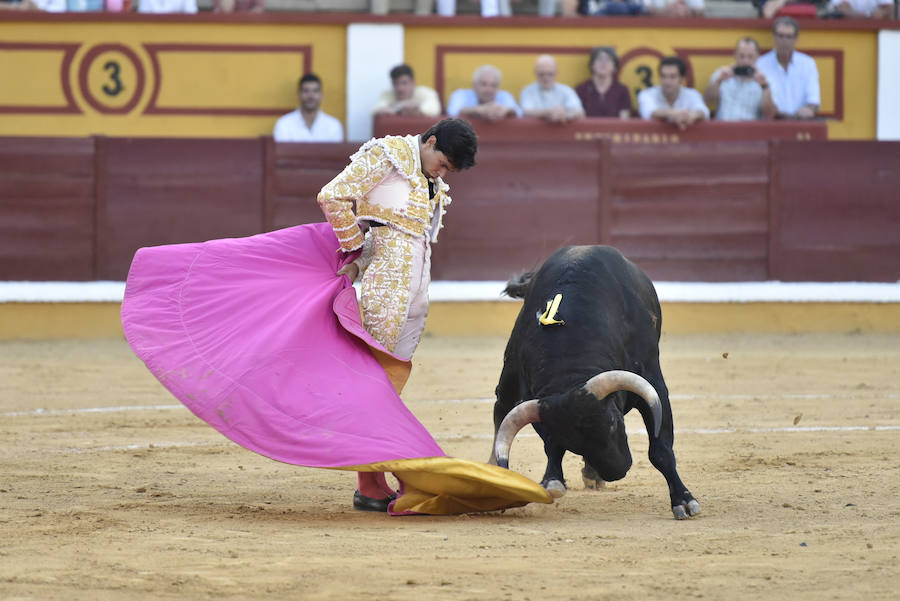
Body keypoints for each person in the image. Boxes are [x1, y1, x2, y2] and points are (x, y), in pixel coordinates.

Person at [316, 118, 477, 511]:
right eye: (441, 163)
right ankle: (370, 481)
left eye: (447, 171)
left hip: (414, 298)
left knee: (388, 389)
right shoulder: (386, 157)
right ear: (431, 140)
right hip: (384, 297)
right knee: (375, 388)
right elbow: (332, 196)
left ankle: (372, 479)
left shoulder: (429, 181)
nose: (441, 173)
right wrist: (354, 250)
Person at [755, 17, 820, 120]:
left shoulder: (808, 63)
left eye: (789, 37)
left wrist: (808, 109)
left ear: (796, 39)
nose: (784, 41)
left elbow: (813, 100)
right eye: (780, 36)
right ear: (774, 37)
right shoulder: (760, 64)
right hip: (772, 123)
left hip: (801, 122)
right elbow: (758, 102)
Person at [703, 38, 776, 122]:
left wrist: (764, 87)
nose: (745, 61)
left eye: (750, 57)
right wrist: (718, 81)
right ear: (735, 55)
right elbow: (707, 100)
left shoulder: (765, 80)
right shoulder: (722, 73)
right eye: (742, 56)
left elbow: (769, 114)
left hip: (750, 131)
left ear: (757, 57)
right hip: (723, 128)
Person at [637, 56, 709, 130]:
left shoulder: (692, 94)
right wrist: (675, 114)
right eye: (663, 76)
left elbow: (703, 111)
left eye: (672, 77)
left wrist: (690, 116)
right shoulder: (647, 94)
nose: (667, 81)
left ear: (682, 78)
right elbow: (649, 112)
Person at [273, 73, 344, 143]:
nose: (311, 96)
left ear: (321, 95)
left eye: (315, 91)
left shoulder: (334, 126)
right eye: (306, 91)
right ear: (299, 94)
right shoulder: (284, 124)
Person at [519, 55, 585, 123]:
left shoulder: (566, 90)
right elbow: (526, 112)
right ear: (535, 73)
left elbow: (580, 112)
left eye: (550, 74)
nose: (546, 78)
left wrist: (565, 115)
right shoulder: (527, 91)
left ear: (556, 73)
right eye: (541, 74)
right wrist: (550, 112)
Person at [446, 65, 523, 121]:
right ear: (474, 85)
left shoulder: (505, 95)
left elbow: (519, 113)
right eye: (484, 84)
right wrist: (478, 110)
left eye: (493, 85)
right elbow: (452, 111)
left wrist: (506, 110)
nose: (489, 89)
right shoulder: (460, 94)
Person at [575, 46, 633, 119]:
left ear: (615, 67)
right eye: (599, 59)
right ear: (592, 65)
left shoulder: (622, 90)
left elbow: (624, 119)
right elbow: (579, 117)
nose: (603, 63)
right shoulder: (581, 89)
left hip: (615, 130)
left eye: (608, 60)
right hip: (588, 130)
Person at [371, 64, 442, 119]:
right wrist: (401, 108)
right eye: (396, 83)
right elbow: (375, 110)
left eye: (404, 83)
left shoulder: (427, 92)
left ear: (413, 83)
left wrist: (394, 108)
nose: (400, 88)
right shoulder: (387, 94)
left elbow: (434, 110)